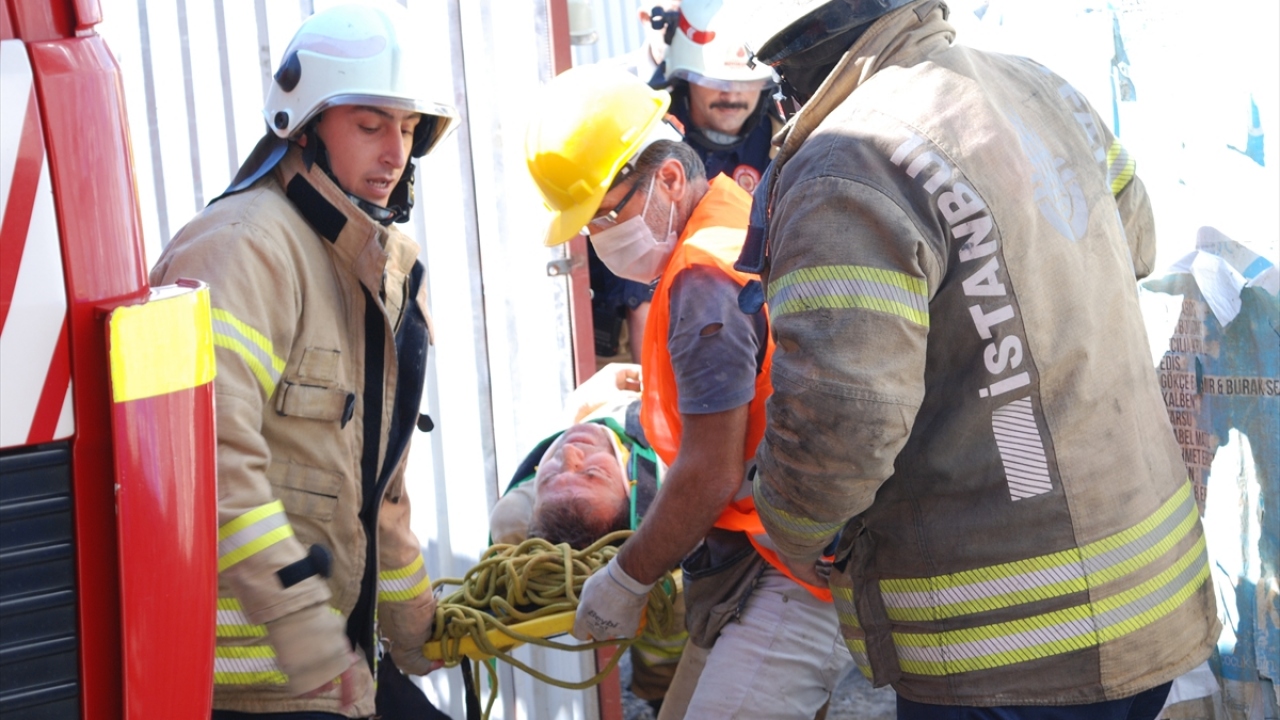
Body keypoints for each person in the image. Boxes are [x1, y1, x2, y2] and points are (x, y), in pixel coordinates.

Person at [738, 1, 1221, 718]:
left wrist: (791, 526)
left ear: (794, 57)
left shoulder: (847, 157)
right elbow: (1139, 242)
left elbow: (843, 420)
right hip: (1153, 606)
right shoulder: (1040, 87)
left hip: (1009, 651)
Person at [150, 3, 457, 718]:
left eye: (409, 130)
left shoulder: (373, 267)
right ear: (307, 123)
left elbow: (374, 492)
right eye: (371, 125)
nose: (395, 155)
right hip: (249, 688)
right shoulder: (242, 249)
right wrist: (312, 645)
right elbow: (208, 467)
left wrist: (422, 633)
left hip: (335, 670)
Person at [525, 64, 853, 720]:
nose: (600, 240)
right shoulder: (732, 213)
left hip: (802, 568)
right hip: (786, 540)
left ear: (669, 178)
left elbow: (709, 471)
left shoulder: (701, 284)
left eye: (605, 215)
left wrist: (626, 578)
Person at [487, 365, 685, 713]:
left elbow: (571, 430)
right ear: (631, 485)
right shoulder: (670, 456)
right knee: (669, 626)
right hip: (670, 601)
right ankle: (658, 692)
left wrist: (592, 393)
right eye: (592, 471)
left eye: (548, 477)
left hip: (681, 604)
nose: (569, 454)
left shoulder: (534, 497)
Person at [657, 0, 783, 194]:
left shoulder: (786, 151)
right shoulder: (649, 143)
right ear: (685, 80)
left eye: (746, 83)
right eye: (717, 84)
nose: (732, 94)